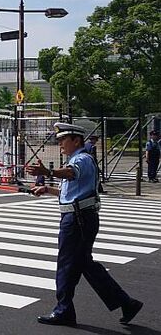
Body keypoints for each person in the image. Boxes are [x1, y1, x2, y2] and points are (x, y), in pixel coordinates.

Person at [27, 122, 142, 327]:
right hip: (79, 217)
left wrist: (50, 172)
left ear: (76, 140)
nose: (60, 143)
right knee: (85, 265)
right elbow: (71, 194)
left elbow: (71, 173)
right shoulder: (76, 160)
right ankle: (126, 303)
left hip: (78, 221)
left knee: (66, 265)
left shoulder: (82, 159)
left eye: (63, 139)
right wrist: (47, 189)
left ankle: (64, 310)